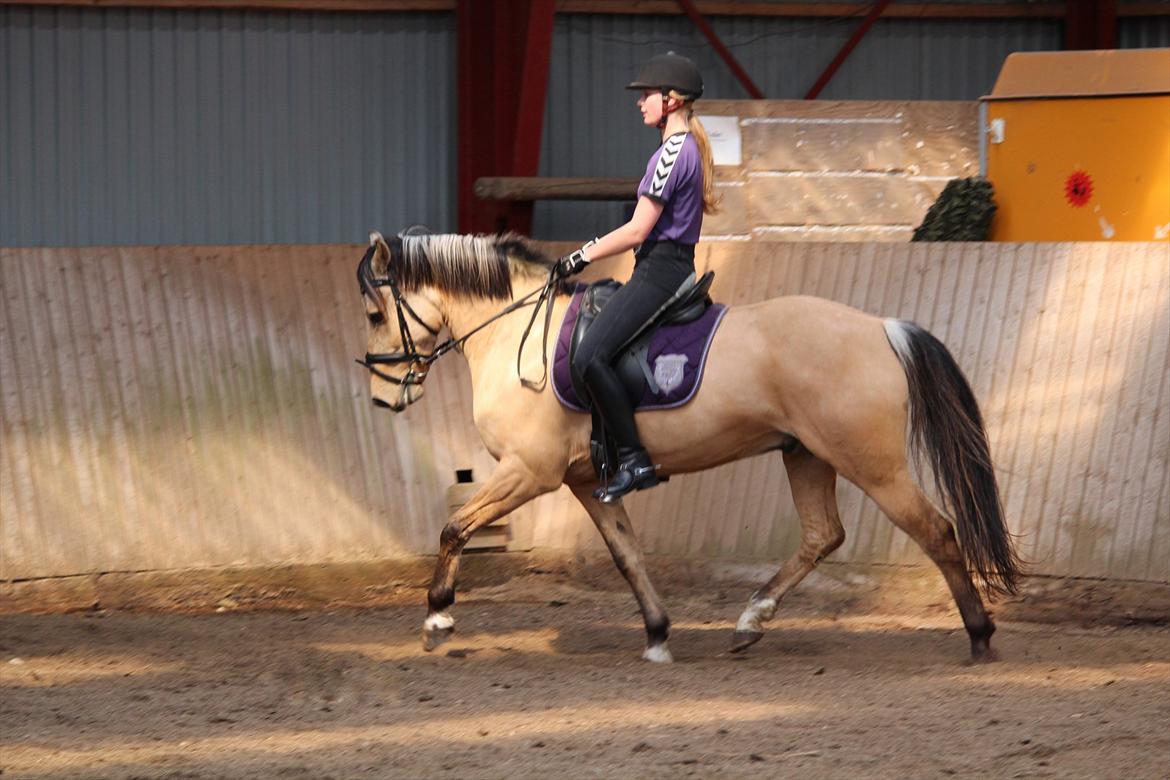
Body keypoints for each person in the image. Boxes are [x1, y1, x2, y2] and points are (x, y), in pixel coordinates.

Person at [557, 52, 719, 503]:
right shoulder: (684, 149)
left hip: (660, 270)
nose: (639, 102)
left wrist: (580, 256)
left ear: (672, 100)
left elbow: (636, 231)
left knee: (589, 355)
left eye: (647, 94)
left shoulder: (672, 153)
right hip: (663, 265)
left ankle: (634, 458)